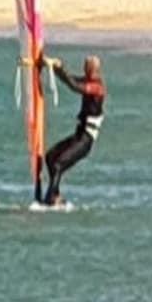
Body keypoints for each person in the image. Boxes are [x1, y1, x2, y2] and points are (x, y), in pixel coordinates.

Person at [41, 54, 106, 207]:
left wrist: (60, 68)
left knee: (58, 164)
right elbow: (69, 80)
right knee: (50, 157)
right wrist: (54, 67)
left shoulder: (97, 87)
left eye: (87, 67)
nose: (85, 70)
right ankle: (55, 195)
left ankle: (50, 199)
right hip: (79, 136)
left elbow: (75, 86)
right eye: (85, 67)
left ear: (94, 69)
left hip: (85, 140)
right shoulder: (87, 81)